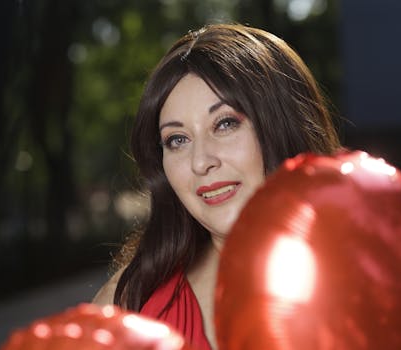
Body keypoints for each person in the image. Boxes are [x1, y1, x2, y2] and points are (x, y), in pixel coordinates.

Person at [93, 23, 341, 349]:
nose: (201, 161)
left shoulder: (370, 274)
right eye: (177, 140)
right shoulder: (129, 299)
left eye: (225, 124)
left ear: (280, 125)